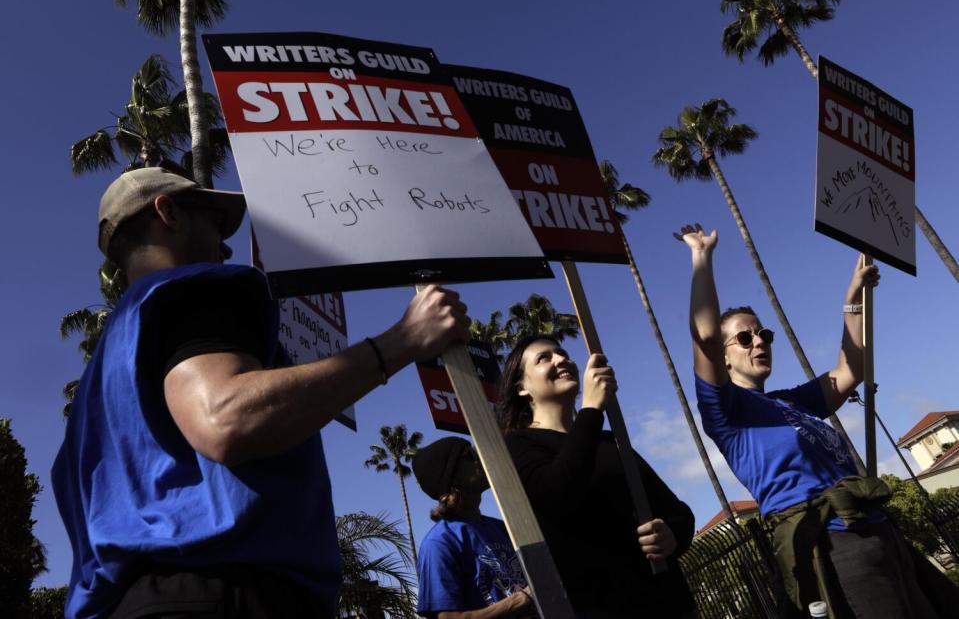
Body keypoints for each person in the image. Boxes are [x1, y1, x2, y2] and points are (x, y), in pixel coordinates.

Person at [52, 167, 471, 619]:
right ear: (167, 210)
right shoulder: (198, 289)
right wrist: (403, 341)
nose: (226, 243)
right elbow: (225, 419)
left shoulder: (104, 374)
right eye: (214, 219)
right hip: (225, 596)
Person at [678, 223, 953, 619]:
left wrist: (852, 297)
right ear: (723, 356)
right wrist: (701, 256)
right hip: (833, 546)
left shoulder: (791, 401)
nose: (758, 342)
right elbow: (704, 335)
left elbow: (850, 370)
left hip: (880, 532)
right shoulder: (727, 410)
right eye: (743, 338)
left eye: (763, 334)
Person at [497, 336, 697, 618]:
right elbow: (559, 495)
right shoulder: (519, 446)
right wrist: (591, 410)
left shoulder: (609, 442)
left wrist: (672, 535)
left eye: (562, 353)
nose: (561, 359)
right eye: (544, 358)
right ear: (522, 388)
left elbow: (677, 511)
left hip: (671, 603)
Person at [412, 436, 533, 619]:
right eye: (469, 455)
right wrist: (520, 600)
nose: (479, 459)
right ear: (452, 478)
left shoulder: (500, 527)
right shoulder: (439, 543)